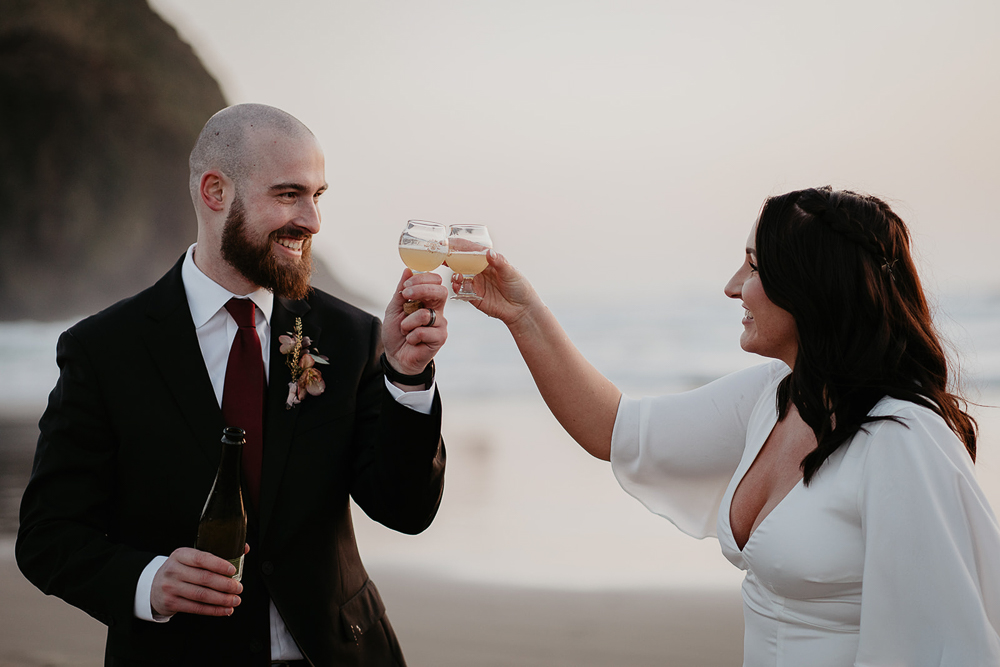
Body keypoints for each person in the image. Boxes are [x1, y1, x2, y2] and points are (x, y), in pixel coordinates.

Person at [459, 186, 1000, 666]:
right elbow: (616, 429)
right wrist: (522, 314)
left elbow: (942, 647)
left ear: (812, 286)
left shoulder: (904, 441)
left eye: (755, 266)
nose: (732, 286)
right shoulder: (774, 397)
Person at [16, 103, 448, 666]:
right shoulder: (103, 351)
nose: (313, 221)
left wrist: (407, 377)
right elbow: (48, 536)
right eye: (290, 195)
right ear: (215, 192)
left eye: (317, 196)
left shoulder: (354, 337)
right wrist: (149, 583)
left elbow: (405, 510)